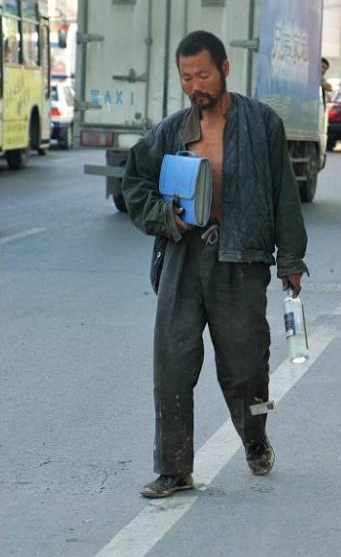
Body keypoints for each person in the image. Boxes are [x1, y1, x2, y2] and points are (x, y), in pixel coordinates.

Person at [122, 30, 309, 499]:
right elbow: (135, 182)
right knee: (172, 363)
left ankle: (255, 438)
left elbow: (284, 195)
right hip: (183, 257)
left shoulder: (262, 124)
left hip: (241, 259)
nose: (195, 86)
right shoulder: (171, 131)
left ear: (225, 68)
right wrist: (166, 216)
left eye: (203, 75)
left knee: (247, 368)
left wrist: (290, 259)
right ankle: (174, 469)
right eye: (186, 77)